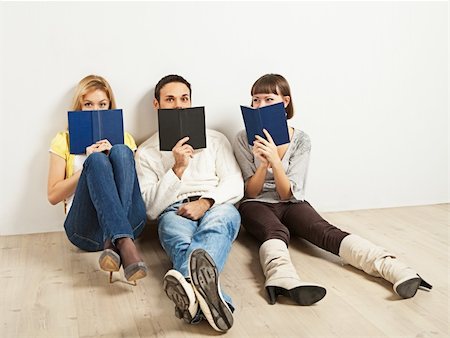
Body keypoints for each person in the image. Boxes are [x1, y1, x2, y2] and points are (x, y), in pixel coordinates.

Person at [232, 73, 432, 306]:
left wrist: (275, 163)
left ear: (285, 102)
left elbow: (288, 194)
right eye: (255, 100)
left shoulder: (301, 140)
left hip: (291, 202)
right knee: (275, 231)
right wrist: (263, 164)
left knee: (324, 230)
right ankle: (282, 279)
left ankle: (393, 267)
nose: (260, 105)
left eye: (268, 99)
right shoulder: (242, 137)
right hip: (256, 205)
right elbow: (251, 192)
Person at [135, 74, 243, 332]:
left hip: (217, 205)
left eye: (184, 99)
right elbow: (150, 209)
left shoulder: (215, 139)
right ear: (157, 105)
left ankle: (186, 285)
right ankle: (215, 301)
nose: (179, 106)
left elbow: (235, 183)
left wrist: (206, 202)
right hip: (174, 210)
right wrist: (177, 169)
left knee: (217, 226)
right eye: (170, 100)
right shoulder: (147, 152)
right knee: (178, 238)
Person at [47, 75, 148, 284]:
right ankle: (125, 243)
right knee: (95, 161)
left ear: (110, 106)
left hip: (130, 218)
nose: (96, 110)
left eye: (102, 104)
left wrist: (114, 157)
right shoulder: (63, 140)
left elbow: (135, 189)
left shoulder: (125, 138)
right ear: (79, 107)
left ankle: (115, 241)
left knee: (120, 151)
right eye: (88, 104)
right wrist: (88, 164)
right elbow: (53, 196)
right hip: (85, 230)